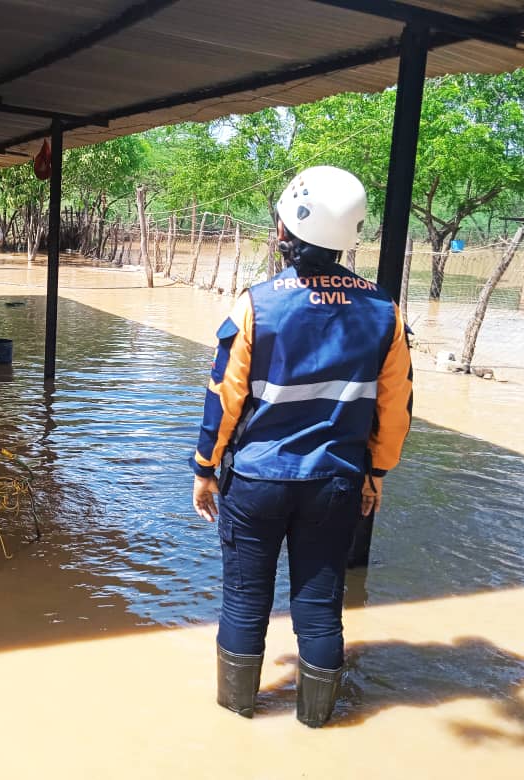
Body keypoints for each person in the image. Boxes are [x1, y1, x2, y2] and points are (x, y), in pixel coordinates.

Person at [189, 166, 413, 727]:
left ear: (286, 233)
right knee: (319, 608)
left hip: (258, 484)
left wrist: (204, 467)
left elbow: (224, 398)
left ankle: (236, 719)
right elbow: (396, 407)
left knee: (245, 600)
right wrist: (377, 473)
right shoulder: (385, 312)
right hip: (335, 484)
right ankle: (317, 726)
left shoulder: (257, 304)